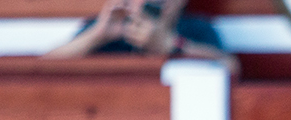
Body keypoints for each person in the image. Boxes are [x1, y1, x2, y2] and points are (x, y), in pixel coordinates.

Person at [44, 0, 237, 69]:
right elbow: (42, 68)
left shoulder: (195, 29)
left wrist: (171, 45)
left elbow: (229, 67)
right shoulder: (107, 28)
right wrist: (97, 36)